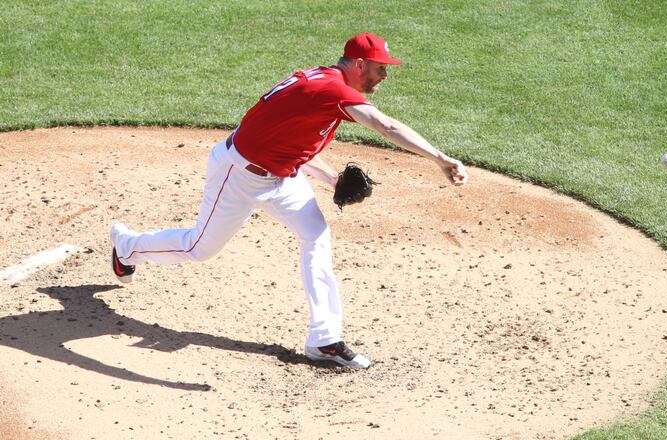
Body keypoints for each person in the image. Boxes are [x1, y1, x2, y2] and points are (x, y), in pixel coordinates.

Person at [110, 32, 468, 369]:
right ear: (358, 64)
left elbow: (288, 137)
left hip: (280, 175)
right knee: (199, 248)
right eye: (379, 68)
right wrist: (440, 158)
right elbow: (386, 127)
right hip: (240, 175)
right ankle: (128, 246)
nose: (384, 76)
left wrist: (330, 179)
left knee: (316, 235)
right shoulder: (331, 89)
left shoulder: (324, 84)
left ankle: (324, 339)